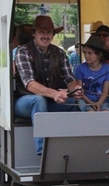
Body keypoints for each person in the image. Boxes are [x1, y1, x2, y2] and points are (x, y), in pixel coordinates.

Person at [14, 15, 83, 155]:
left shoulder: (60, 53)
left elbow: (69, 78)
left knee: (72, 103)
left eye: (48, 32)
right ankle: (43, 153)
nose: (45, 36)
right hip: (24, 101)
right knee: (38, 100)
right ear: (34, 34)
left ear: (52, 35)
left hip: (50, 101)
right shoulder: (23, 52)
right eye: (41, 32)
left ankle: (73, 149)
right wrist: (55, 93)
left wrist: (75, 89)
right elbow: (29, 84)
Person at [74, 36, 109, 112]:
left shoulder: (107, 69)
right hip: (84, 100)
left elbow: (105, 92)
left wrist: (99, 103)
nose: (86, 56)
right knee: (90, 112)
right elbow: (80, 91)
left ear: (99, 54)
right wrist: (90, 103)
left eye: (90, 53)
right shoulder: (80, 68)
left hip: (102, 100)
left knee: (106, 112)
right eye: (84, 53)